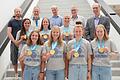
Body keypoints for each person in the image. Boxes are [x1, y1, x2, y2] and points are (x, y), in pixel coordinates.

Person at [7, 7, 22, 79]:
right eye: (17, 12)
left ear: (21, 12)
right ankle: (16, 73)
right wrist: (14, 41)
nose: (18, 13)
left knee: (23, 58)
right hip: (14, 43)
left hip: (22, 43)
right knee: (14, 58)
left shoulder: (23, 21)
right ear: (14, 12)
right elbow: (9, 33)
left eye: (19, 11)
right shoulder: (11, 21)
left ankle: (23, 72)